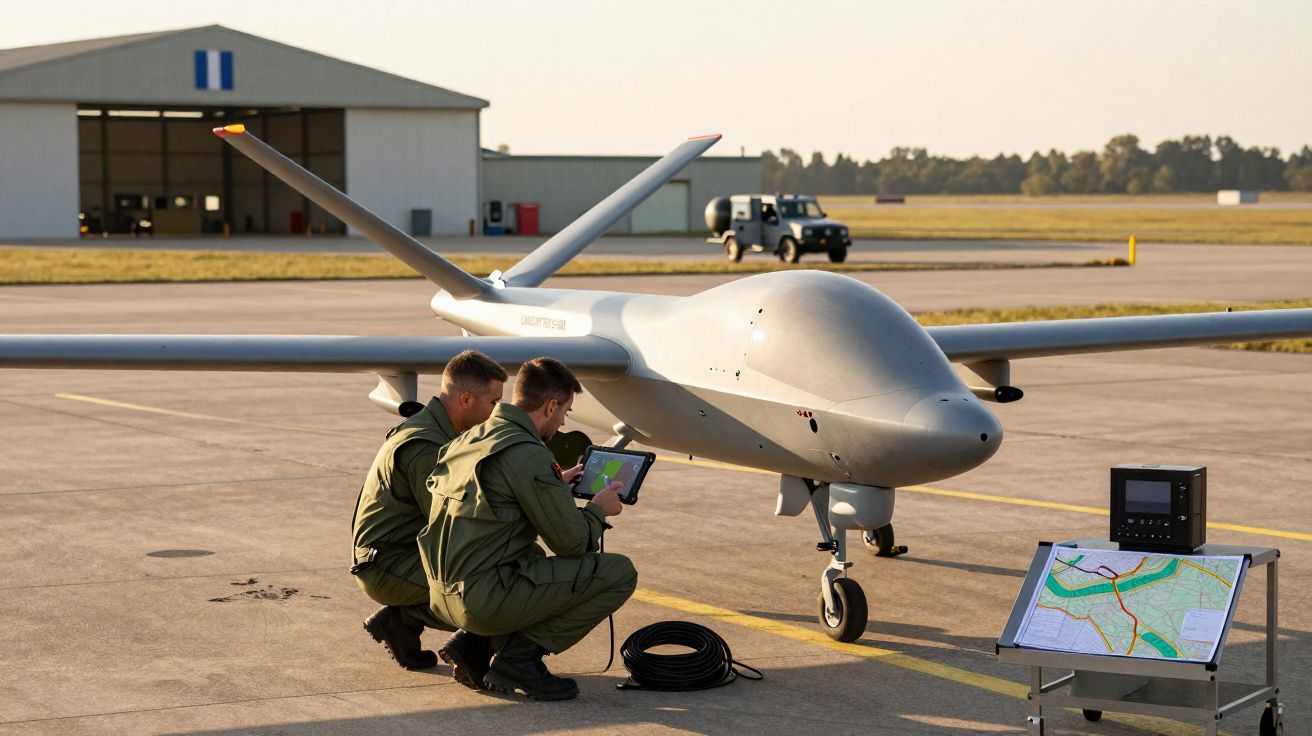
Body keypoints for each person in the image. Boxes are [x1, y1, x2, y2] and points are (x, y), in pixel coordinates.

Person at [416, 357, 636, 700]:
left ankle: (474, 644)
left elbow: (493, 503)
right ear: (550, 406)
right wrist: (596, 510)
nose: (564, 421)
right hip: (480, 601)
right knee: (618, 573)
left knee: (528, 553)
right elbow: (573, 543)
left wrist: (554, 485)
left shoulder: (474, 437)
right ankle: (520, 660)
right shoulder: (529, 453)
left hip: (441, 595)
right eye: (566, 411)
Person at [350, 350, 507, 670]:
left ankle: (401, 623)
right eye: (493, 403)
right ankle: (469, 648)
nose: (496, 413)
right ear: (466, 399)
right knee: (497, 582)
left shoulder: (440, 431)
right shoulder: (428, 447)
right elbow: (454, 524)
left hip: (404, 551)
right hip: (388, 564)